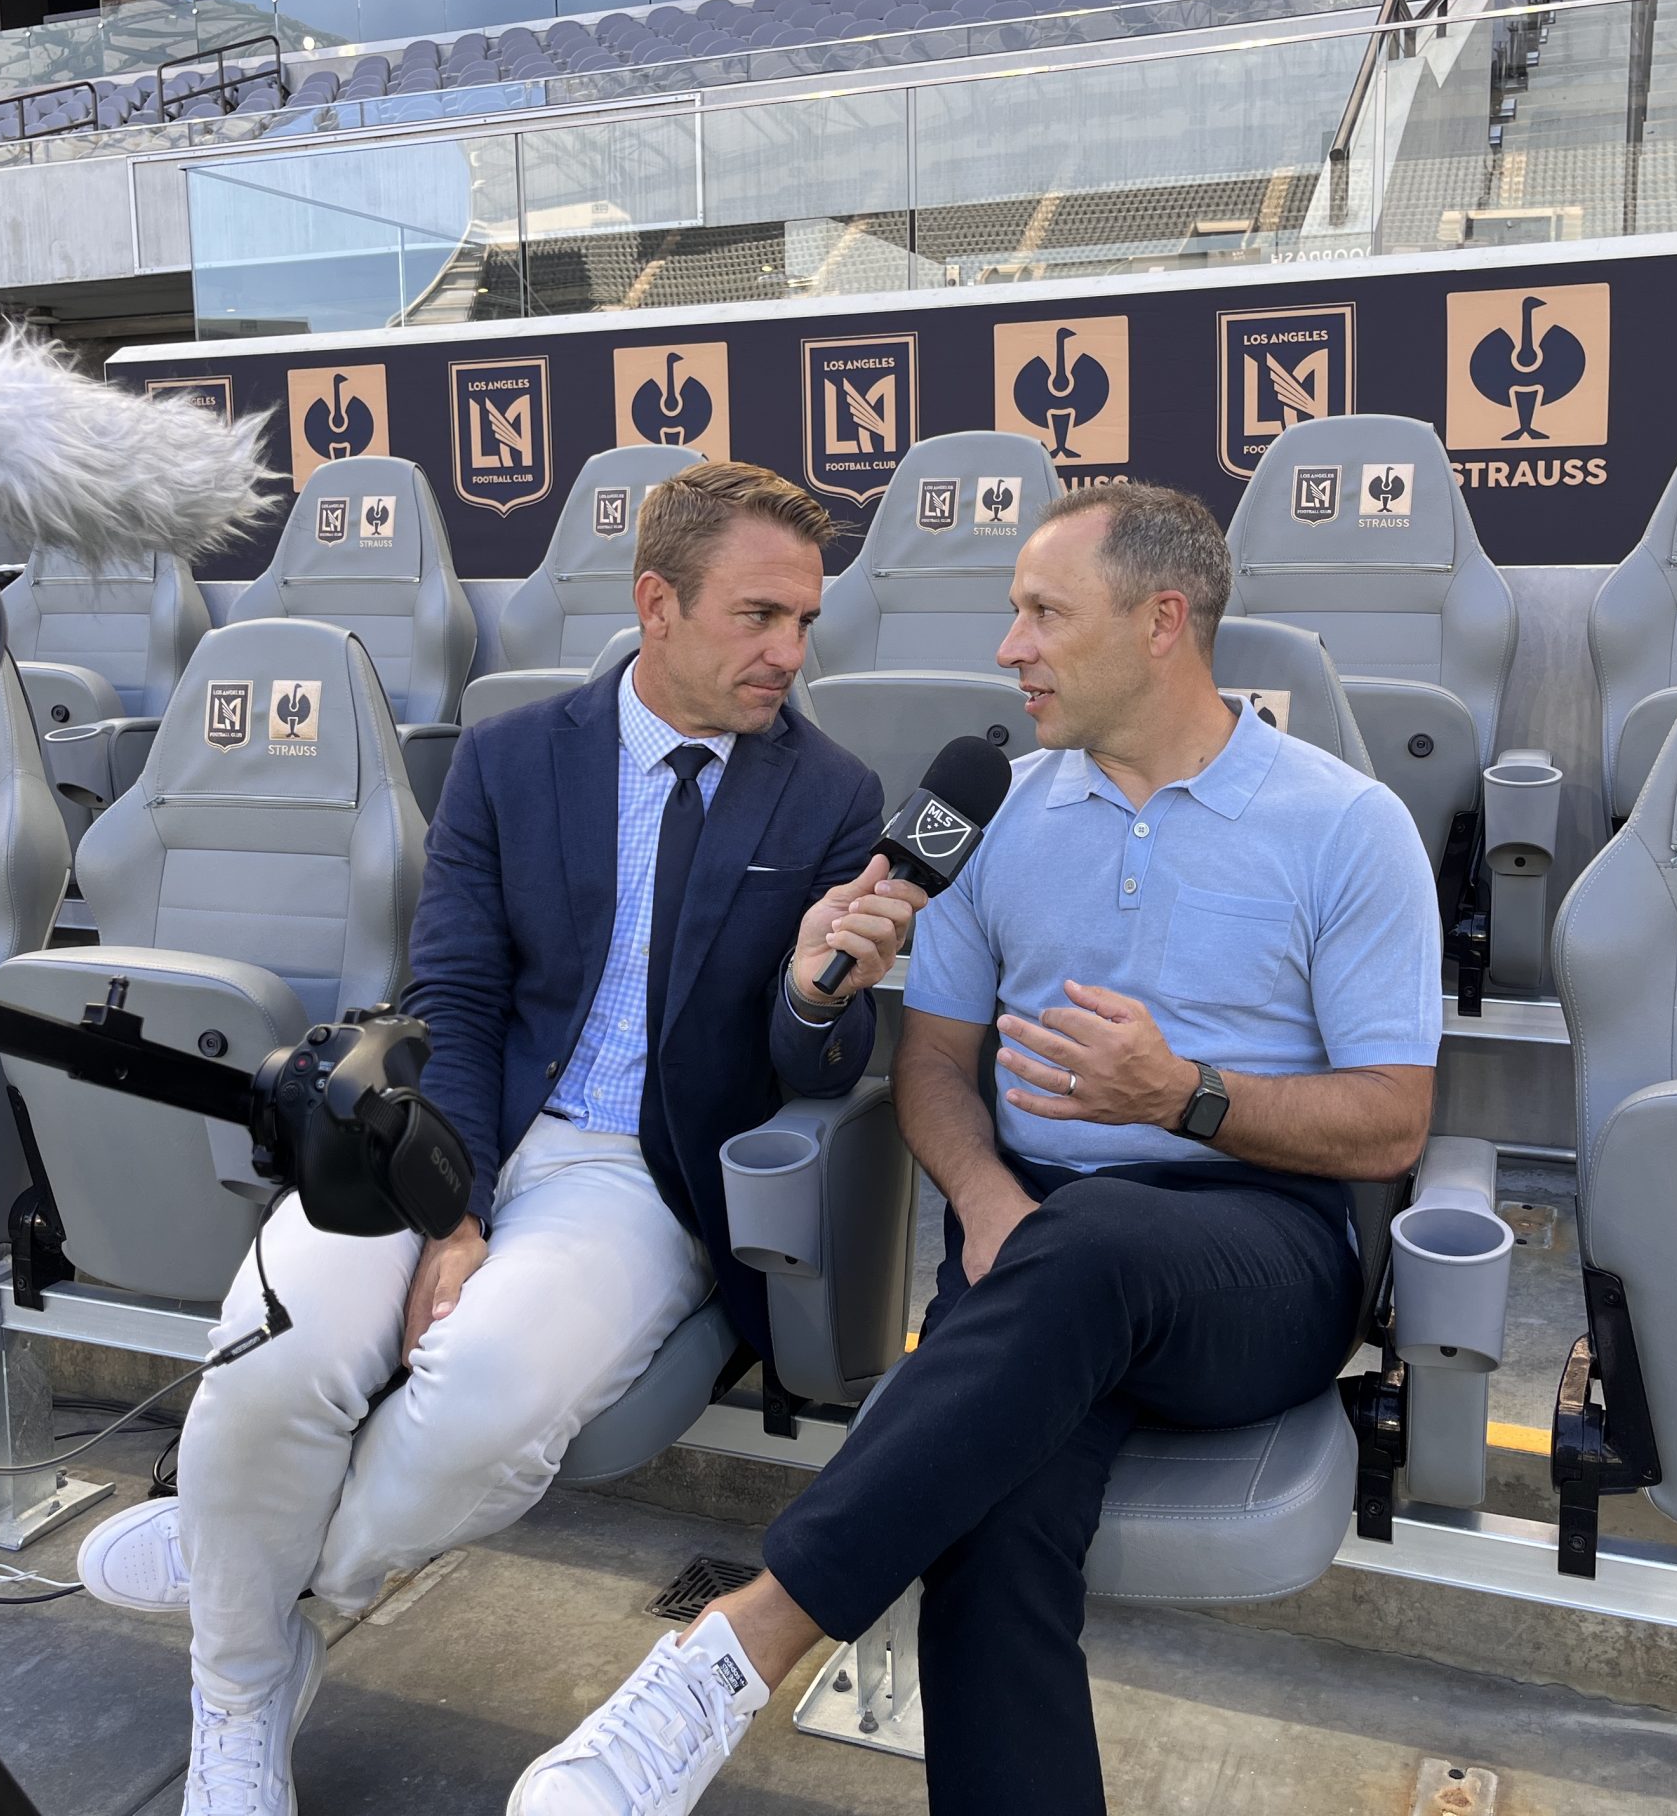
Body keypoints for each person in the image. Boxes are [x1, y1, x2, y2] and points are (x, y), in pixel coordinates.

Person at [512, 480, 1443, 1816]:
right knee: (991, 1527)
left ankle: (734, 1655)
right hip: (1030, 1247)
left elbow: (1393, 1120)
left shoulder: (1348, 827)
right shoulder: (985, 814)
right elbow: (938, 1069)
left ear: (1163, 622)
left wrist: (1183, 1097)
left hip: (1258, 1245)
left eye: (1045, 613)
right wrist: (986, 1190)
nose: (1011, 647)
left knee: (1105, 1243)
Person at [75, 460, 926, 1816]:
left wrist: (824, 988)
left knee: (476, 1404)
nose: (792, 651)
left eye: (807, 620)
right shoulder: (516, 756)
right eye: (759, 616)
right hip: (460, 1127)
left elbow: (805, 1068)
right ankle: (241, 1695)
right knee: (269, 1343)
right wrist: (449, 1213)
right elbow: (456, 991)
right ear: (657, 603)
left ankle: (251, 1569)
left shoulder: (827, 790)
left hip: (641, 1173)